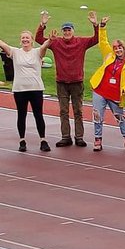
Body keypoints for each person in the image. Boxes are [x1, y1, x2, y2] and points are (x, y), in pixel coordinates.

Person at [36, 10, 100, 147]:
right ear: (62, 32)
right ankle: (66, 137)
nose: (67, 32)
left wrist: (96, 25)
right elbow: (38, 40)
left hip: (77, 82)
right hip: (62, 83)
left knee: (78, 111)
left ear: (73, 31)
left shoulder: (81, 42)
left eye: (69, 30)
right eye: (64, 30)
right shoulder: (55, 42)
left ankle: (79, 137)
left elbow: (96, 39)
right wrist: (42, 25)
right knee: (63, 111)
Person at [87, 18, 125, 151]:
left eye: (120, 48)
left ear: (124, 48)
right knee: (97, 115)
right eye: (115, 48)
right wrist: (102, 26)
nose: (117, 50)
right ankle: (97, 139)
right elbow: (103, 41)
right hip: (100, 90)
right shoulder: (109, 55)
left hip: (115, 94)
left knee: (119, 116)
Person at [0, 29, 51, 152]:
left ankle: (43, 140)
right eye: (23, 38)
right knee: (21, 115)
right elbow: (3, 45)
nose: (25, 40)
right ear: (20, 40)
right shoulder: (15, 52)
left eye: (27, 38)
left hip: (36, 88)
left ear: (32, 40)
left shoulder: (37, 52)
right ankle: (22, 140)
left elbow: (44, 47)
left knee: (38, 114)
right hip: (20, 89)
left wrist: (49, 40)